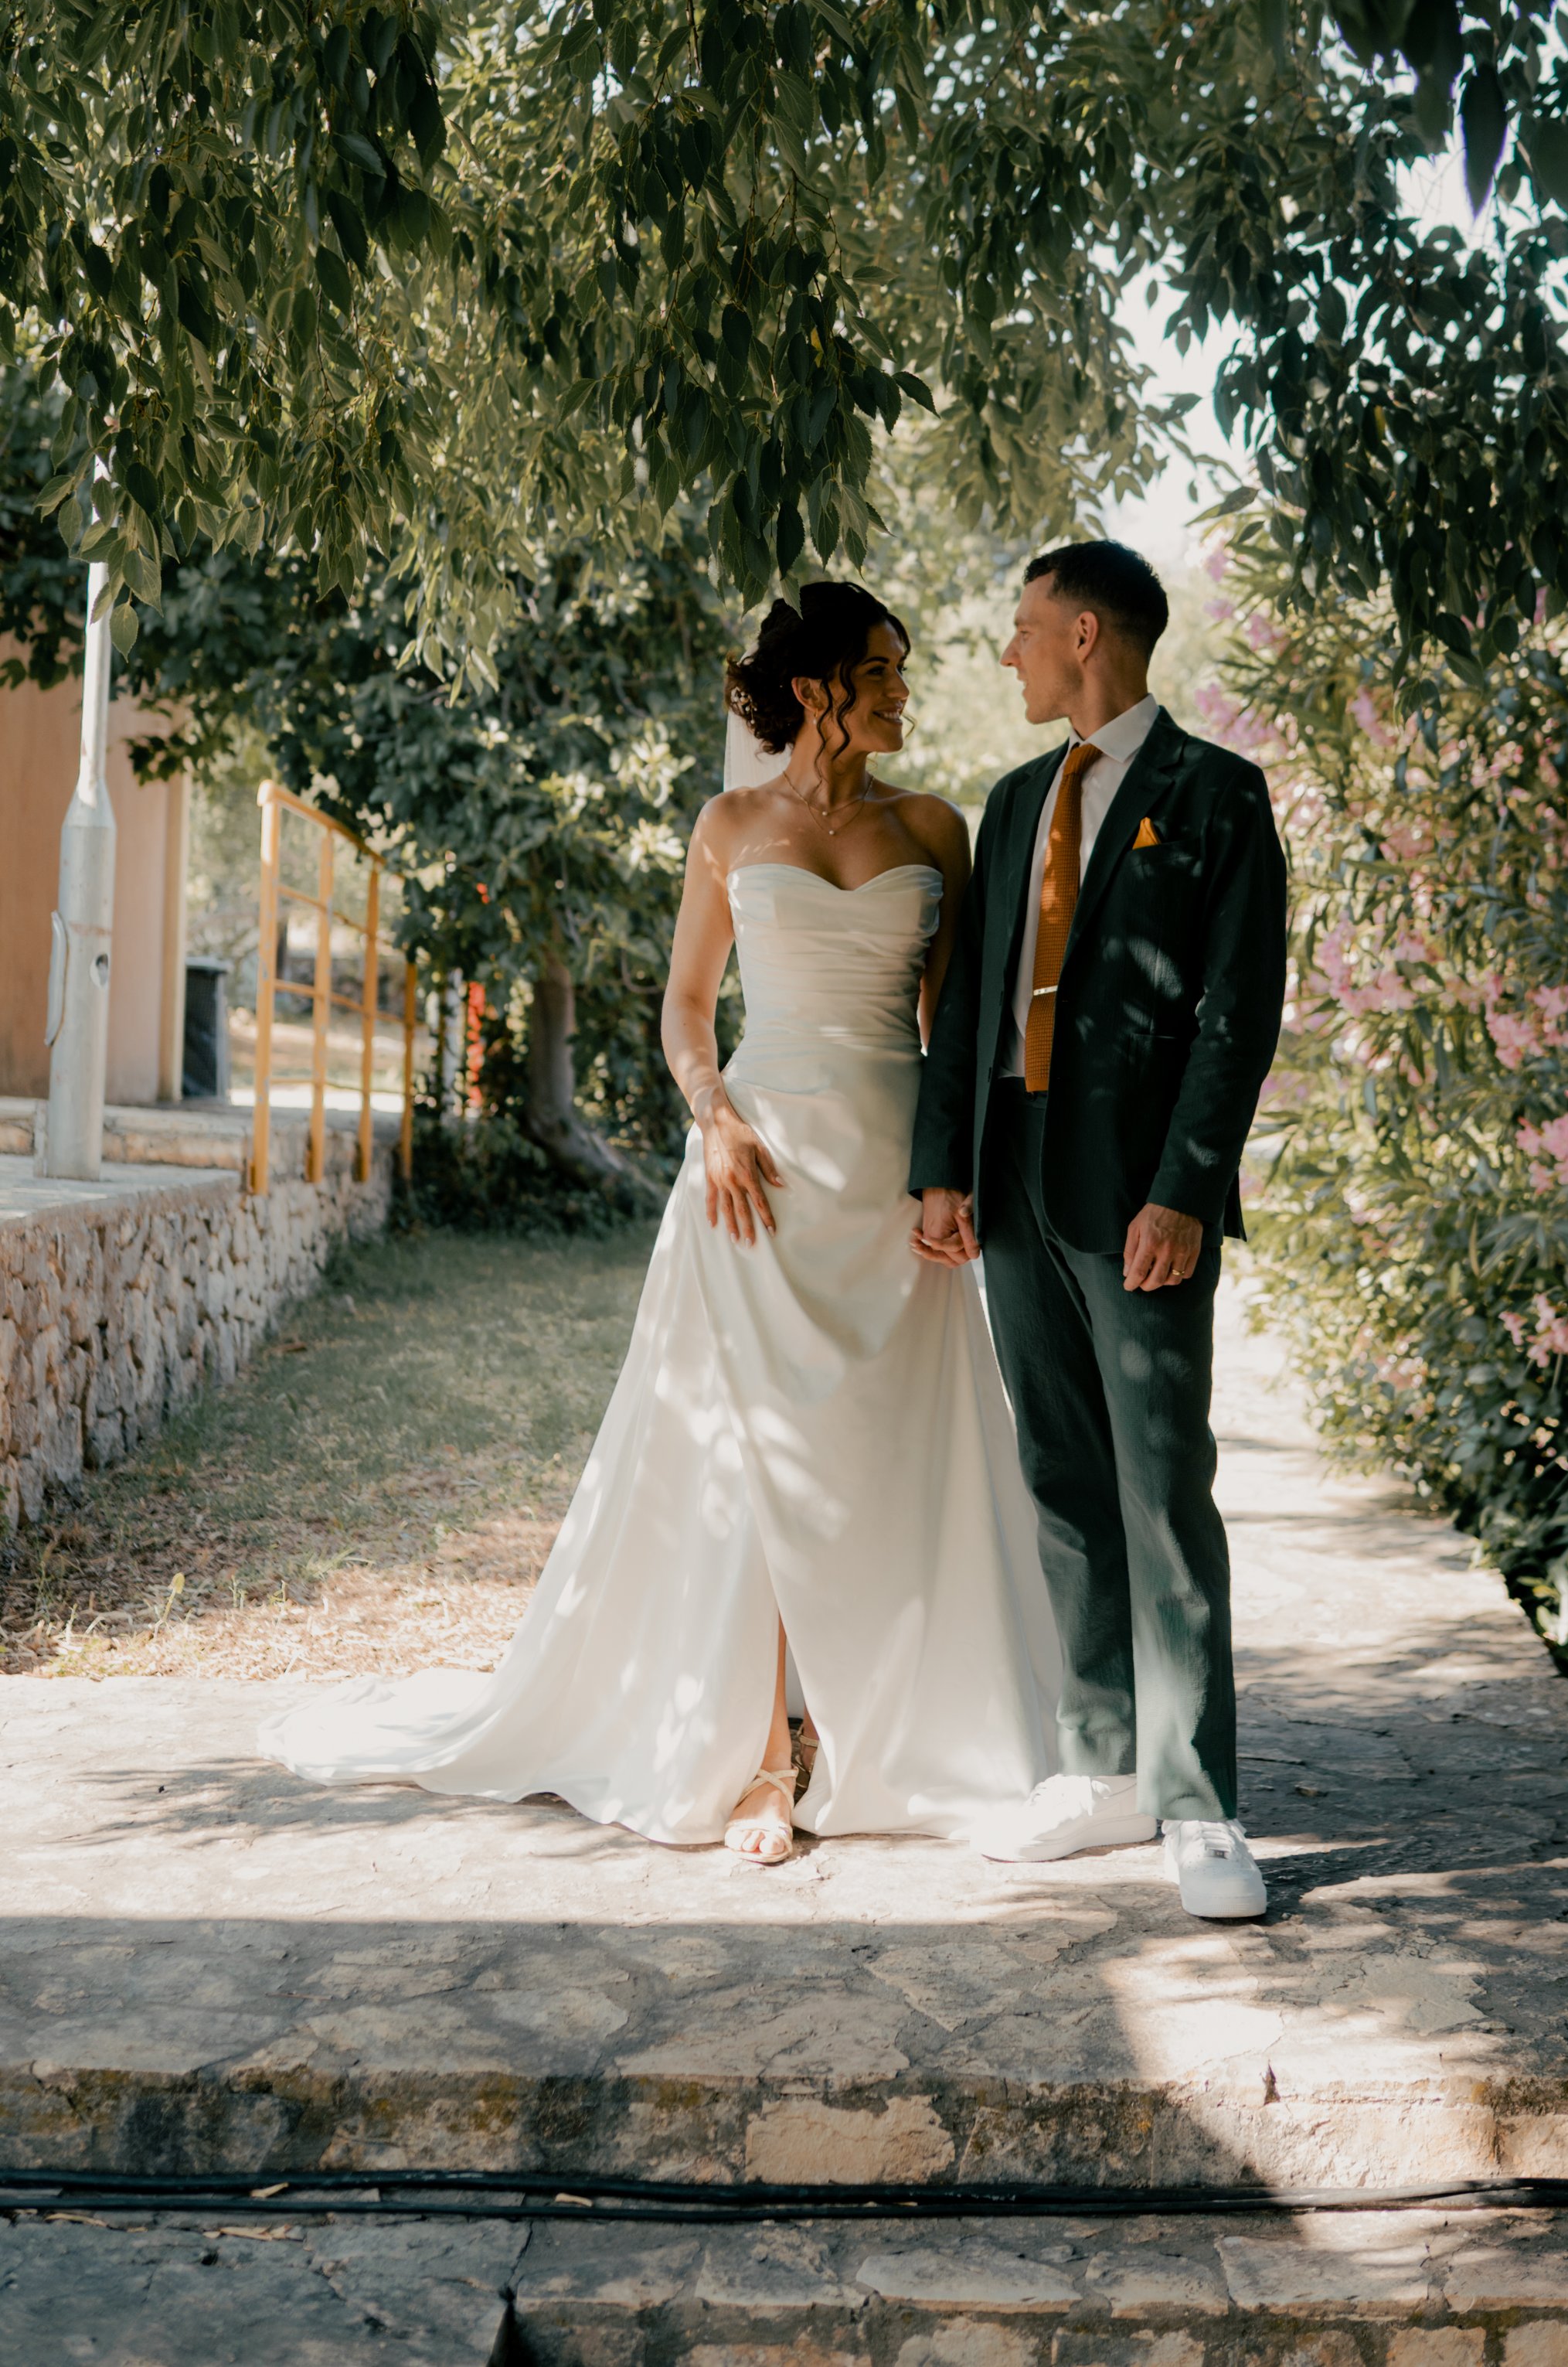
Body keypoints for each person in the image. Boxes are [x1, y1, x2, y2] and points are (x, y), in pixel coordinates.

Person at [262, 584, 1057, 1864]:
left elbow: (948, 1029)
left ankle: (877, 1721)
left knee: (884, 1453)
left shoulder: (937, 826)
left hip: (888, 1182)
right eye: (887, 672)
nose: (907, 692)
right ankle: (755, 1756)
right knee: (749, 1460)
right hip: (759, 1170)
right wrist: (712, 1116)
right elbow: (689, 1008)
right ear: (817, 690)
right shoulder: (730, 823)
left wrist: (947, 1175)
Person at [910, 541, 1287, 1921]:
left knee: (1161, 1486)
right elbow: (969, 1006)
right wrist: (940, 1168)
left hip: (1138, 1201)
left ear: (1083, 633)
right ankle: (1102, 1765)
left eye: (1018, 628)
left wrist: (1186, 1190)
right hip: (1010, 1184)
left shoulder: (1218, 797)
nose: (1004, 652)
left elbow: (1239, 1012)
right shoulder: (1012, 803)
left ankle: (1199, 1803)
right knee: (1062, 1475)